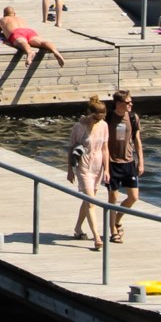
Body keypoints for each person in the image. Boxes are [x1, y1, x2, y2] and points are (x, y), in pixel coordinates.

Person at [67, 98, 110, 251]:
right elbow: (71, 148)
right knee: (91, 202)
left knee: (88, 200)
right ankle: (97, 237)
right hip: (84, 166)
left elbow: (105, 148)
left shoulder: (104, 125)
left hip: (97, 166)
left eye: (102, 117)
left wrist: (107, 169)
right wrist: (69, 170)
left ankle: (78, 228)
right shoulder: (79, 127)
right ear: (91, 114)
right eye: (97, 118)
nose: (100, 120)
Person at [103, 90, 144, 242]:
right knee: (113, 197)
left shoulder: (133, 117)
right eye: (128, 102)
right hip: (112, 162)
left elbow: (137, 140)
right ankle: (113, 231)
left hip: (128, 162)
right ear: (118, 103)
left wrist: (141, 161)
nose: (130, 104)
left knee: (133, 197)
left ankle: (117, 219)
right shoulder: (108, 118)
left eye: (131, 101)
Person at [0, 7, 65, 64]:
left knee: (22, 42)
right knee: (42, 42)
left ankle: (29, 52)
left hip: (16, 33)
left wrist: (4, 32)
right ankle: (55, 51)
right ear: (14, 14)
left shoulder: (3, 19)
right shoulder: (20, 19)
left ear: (4, 14)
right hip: (29, 31)